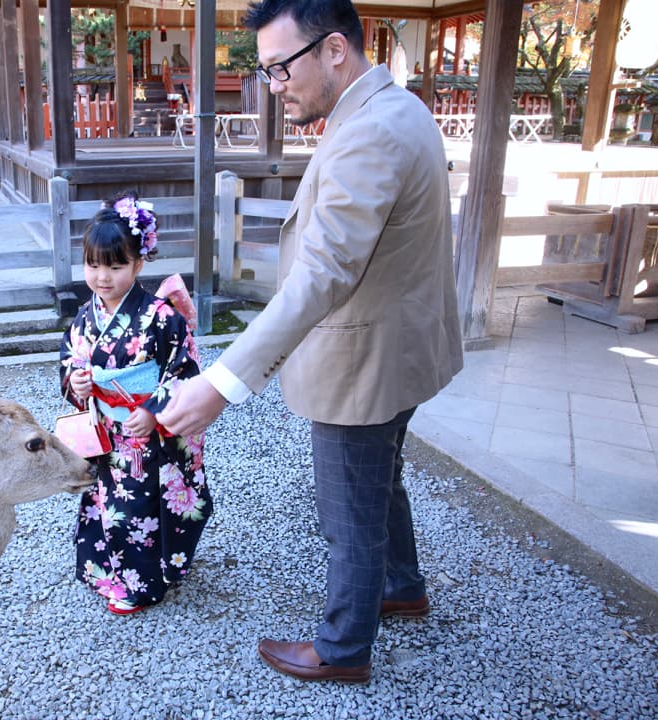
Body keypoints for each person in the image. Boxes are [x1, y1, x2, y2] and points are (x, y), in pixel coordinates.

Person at [158, 0, 463, 683]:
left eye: (279, 67)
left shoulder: (369, 132)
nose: (274, 84)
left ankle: (342, 648)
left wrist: (222, 382)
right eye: (265, 71)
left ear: (333, 51)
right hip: (401, 348)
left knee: (348, 509)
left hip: (363, 359)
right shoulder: (397, 107)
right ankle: (402, 586)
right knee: (380, 481)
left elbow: (325, 271)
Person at [61, 194, 211, 616]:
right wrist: (77, 381)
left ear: (138, 263)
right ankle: (108, 568)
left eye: (115, 266)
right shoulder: (84, 318)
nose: (102, 277)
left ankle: (141, 585)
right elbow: (70, 359)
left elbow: (184, 370)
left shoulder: (161, 317)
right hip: (107, 431)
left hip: (147, 434)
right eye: (93, 265)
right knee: (106, 502)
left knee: (139, 506)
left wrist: (153, 411)